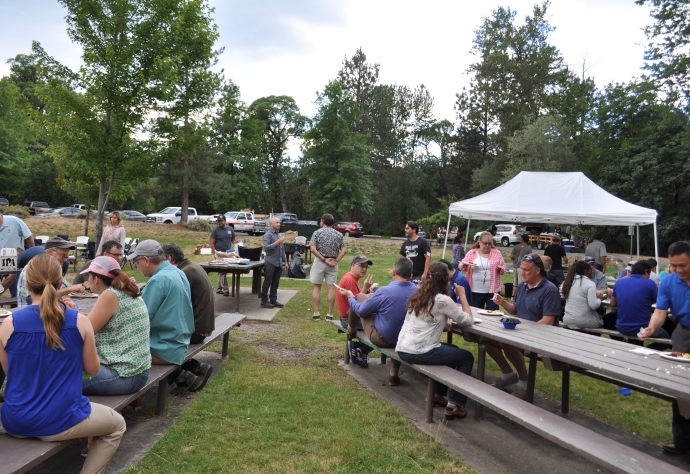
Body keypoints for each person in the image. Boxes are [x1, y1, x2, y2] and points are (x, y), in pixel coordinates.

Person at [0, 254, 126, 474]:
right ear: (60, 284)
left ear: (28, 285)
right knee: (117, 425)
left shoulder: (8, 324)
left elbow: (10, 371)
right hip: (62, 420)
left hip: (16, 420)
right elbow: (93, 369)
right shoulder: (80, 322)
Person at [395, 262, 475, 420]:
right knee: (467, 357)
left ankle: (438, 395)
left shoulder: (419, 294)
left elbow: (428, 317)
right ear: (446, 278)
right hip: (419, 351)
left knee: (452, 349)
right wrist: (463, 296)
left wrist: (443, 320)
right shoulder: (443, 300)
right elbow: (467, 320)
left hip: (404, 348)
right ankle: (454, 405)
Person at [640, 241, 690, 454]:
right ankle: (681, 441)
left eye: (683, 265)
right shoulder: (669, 282)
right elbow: (660, 311)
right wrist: (651, 328)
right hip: (684, 333)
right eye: (673, 265)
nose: (678, 270)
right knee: (679, 386)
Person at [491, 255, 561, 399]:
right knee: (488, 339)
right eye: (521, 269)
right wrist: (503, 303)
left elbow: (548, 321)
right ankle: (508, 374)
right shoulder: (523, 286)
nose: (521, 273)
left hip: (541, 336)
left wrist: (522, 331)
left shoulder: (550, 290)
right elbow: (515, 310)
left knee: (509, 343)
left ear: (537, 271)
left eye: (526, 270)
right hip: (520, 331)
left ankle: (524, 381)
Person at [80, 256, 151, 396]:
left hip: (123, 376)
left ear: (96, 279)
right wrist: (77, 314)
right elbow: (98, 318)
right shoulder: (125, 291)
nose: (87, 280)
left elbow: (83, 333)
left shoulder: (109, 295)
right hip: (137, 373)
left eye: (88, 276)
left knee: (58, 378)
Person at [342, 257, 419, 385]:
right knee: (399, 323)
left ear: (394, 272)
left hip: (383, 340)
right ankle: (393, 374)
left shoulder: (385, 291)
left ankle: (351, 330)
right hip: (405, 340)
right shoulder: (418, 291)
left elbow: (361, 311)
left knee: (359, 297)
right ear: (411, 275)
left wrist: (350, 298)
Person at [128, 240, 194, 370]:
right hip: (180, 344)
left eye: (137, 262)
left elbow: (139, 319)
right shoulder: (178, 272)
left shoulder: (158, 280)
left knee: (109, 350)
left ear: (146, 260)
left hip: (163, 349)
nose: (138, 266)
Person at [163, 243, 215, 393]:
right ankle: (196, 368)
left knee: (158, 342)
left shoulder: (183, 273)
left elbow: (172, 305)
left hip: (197, 331)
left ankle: (182, 377)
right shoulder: (192, 267)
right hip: (204, 326)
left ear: (169, 258)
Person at [16, 237, 86, 307]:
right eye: (63, 256)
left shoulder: (54, 268)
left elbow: (65, 287)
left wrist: (82, 286)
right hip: (30, 312)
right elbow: (38, 297)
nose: (65, 260)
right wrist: (68, 290)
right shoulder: (34, 268)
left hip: (49, 311)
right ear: (50, 252)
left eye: (66, 257)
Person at [611, 260, 665, 339]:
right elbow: (660, 303)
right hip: (643, 328)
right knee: (668, 340)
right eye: (649, 274)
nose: (649, 276)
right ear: (646, 271)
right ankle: (651, 351)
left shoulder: (619, 282)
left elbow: (613, 303)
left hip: (622, 326)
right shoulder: (649, 283)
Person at [309, 213, 347, 321]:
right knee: (331, 288)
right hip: (333, 263)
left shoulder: (317, 232)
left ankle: (316, 313)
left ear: (322, 221)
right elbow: (344, 250)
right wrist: (336, 260)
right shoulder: (338, 234)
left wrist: (324, 259)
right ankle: (329, 315)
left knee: (317, 287)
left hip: (320, 262)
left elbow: (312, 249)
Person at [461, 231, 506, 310]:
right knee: (475, 312)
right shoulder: (472, 253)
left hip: (493, 290)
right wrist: (464, 265)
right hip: (475, 289)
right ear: (480, 242)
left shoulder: (496, 253)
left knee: (492, 311)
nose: (487, 245)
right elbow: (461, 265)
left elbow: (503, 265)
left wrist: (502, 270)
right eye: (485, 243)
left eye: (489, 243)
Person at [561, 261, 603, 329]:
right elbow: (593, 305)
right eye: (590, 270)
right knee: (601, 323)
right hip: (582, 320)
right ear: (585, 271)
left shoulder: (569, 282)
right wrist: (599, 299)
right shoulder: (590, 284)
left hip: (567, 319)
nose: (592, 272)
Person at [336, 254, 374, 329]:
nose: (364, 269)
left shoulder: (352, 278)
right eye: (361, 266)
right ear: (353, 265)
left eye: (366, 267)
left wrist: (368, 292)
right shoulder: (350, 280)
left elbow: (357, 298)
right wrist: (366, 289)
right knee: (381, 325)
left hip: (350, 318)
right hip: (349, 321)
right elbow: (357, 307)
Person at [0, 214, 34, 296]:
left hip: (13, 257)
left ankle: (15, 304)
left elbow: (29, 236)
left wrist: (32, 253)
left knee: (15, 288)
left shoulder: (14, 221)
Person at [210, 215, 241, 297]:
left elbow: (233, 240)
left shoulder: (230, 229)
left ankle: (218, 289)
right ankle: (226, 289)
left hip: (228, 253)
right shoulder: (215, 231)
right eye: (218, 221)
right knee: (222, 271)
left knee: (222, 272)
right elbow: (212, 242)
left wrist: (237, 242)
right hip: (219, 254)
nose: (220, 222)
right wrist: (214, 252)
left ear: (225, 221)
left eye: (221, 221)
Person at [261, 217, 288, 309]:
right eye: (277, 222)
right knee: (268, 281)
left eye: (279, 222)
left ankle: (273, 300)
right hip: (270, 262)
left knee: (275, 282)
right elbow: (266, 248)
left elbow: (282, 250)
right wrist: (277, 242)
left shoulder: (279, 235)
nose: (279, 224)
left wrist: (285, 261)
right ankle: (264, 301)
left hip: (279, 262)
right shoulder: (267, 235)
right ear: (271, 224)